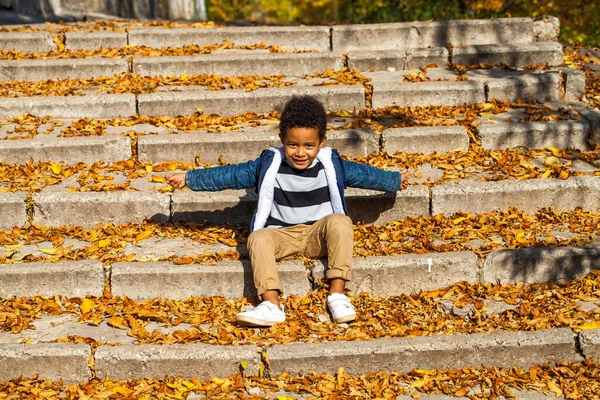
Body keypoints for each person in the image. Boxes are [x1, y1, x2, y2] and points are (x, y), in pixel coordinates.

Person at [165, 95, 410, 327]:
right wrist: (190, 178)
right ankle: (271, 304)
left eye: (308, 145)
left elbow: (367, 175)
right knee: (258, 238)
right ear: (282, 139)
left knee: (340, 221)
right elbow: (230, 174)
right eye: (293, 144)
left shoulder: (332, 165)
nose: (300, 152)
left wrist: (395, 180)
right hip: (281, 235)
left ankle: (337, 295)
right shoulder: (268, 164)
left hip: (318, 235)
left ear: (321, 143)